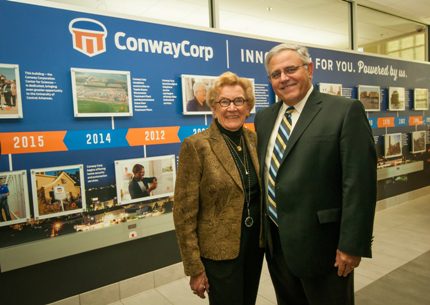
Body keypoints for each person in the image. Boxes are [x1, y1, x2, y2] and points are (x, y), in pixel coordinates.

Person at [254, 43, 377, 305]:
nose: (284, 78)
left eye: (290, 69)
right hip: (278, 248)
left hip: (325, 249)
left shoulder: (344, 111)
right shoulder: (264, 119)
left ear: (309, 69)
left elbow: (359, 184)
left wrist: (352, 245)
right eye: (276, 74)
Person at [174, 71, 264, 305]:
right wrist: (194, 267)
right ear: (213, 107)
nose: (232, 108)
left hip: (254, 245)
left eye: (238, 101)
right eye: (224, 101)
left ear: (248, 107)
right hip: (219, 253)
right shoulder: (196, 146)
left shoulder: (254, 141)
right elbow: (184, 213)